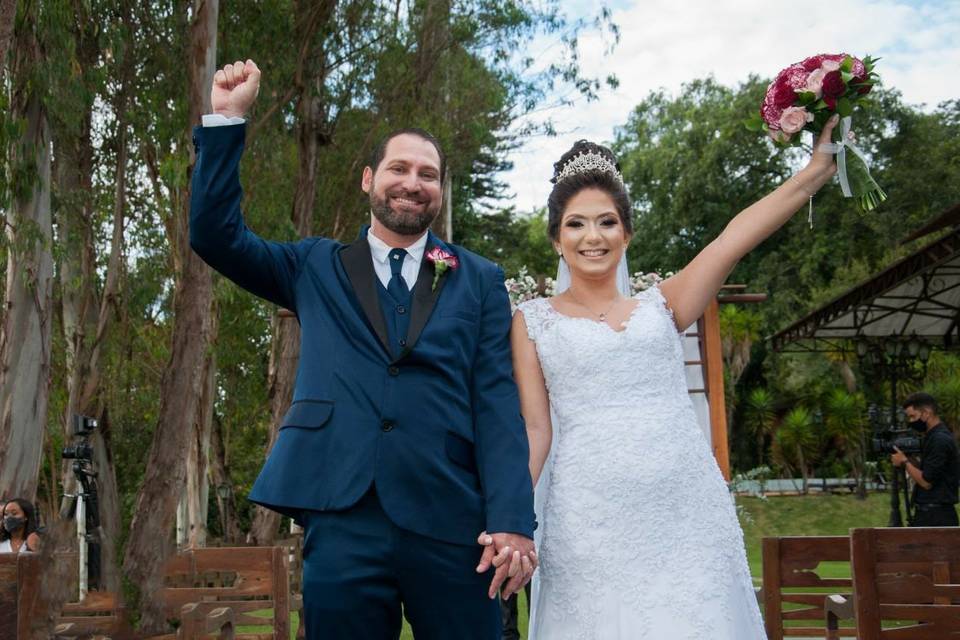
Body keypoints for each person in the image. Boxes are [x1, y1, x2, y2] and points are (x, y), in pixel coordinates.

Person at [190, 60, 536, 639]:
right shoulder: (312, 266)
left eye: (428, 174)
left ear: (440, 190)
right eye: (398, 168)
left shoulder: (478, 279)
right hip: (342, 512)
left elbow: (496, 404)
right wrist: (226, 122)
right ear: (368, 179)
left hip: (452, 517)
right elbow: (214, 235)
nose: (412, 182)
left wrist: (511, 521)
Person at [506, 117, 841, 638]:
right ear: (556, 240)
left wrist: (817, 168)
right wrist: (507, 515)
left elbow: (734, 238)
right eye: (576, 224)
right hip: (588, 517)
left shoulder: (663, 304)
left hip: (684, 510)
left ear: (627, 232)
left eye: (607, 222)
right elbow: (535, 431)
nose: (592, 237)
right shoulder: (533, 320)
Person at [891, 392, 959, 526]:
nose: (911, 421)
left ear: (926, 413)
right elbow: (926, 470)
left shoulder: (939, 440)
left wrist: (904, 461)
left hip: (936, 516)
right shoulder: (932, 437)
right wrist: (908, 459)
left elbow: (927, 481)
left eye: (913, 416)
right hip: (929, 513)